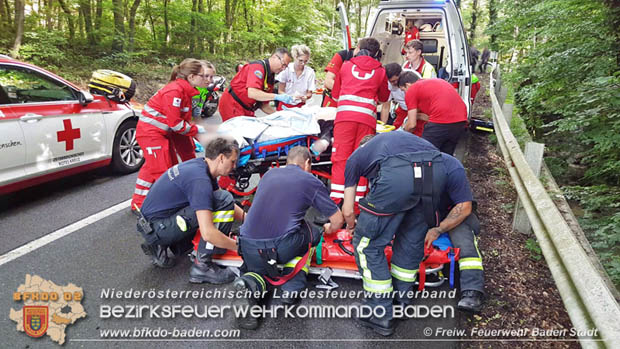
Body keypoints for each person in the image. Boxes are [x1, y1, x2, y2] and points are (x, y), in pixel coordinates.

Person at [342, 131, 484, 336]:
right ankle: (401, 301)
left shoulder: (356, 157)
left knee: (367, 245)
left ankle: (379, 311)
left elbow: (347, 211)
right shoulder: (408, 143)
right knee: (410, 242)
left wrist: (356, 225)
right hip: (432, 175)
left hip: (401, 177)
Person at [232, 146, 345, 329]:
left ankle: (249, 286)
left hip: (246, 245)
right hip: (279, 247)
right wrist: (329, 228)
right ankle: (292, 286)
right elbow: (338, 220)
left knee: (259, 268)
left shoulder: (269, 175)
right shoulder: (309, 180)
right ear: (307, 163)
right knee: (312, 234)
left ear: (287, 161)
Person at [135, 136, 244, 285]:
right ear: (221, 158)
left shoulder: (199, 166)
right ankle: (202, 267)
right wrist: (240, 248)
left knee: (220, 199)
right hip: (157, 228)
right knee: (221, 200)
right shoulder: (200, 181)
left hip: (152, 224)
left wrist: (248, 218)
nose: (234, 166)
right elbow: (208, 232)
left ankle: (158, 245)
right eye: (232, 161)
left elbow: (228, 204)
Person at [131, 59, 210, 210]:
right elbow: (177, 124)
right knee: (163, 171)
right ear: (192, 77)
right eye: (203, 76)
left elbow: (183, 123)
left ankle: (138, 202)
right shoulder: (175, 92)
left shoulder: (185, 91)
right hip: (151, 133)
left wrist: (193, 142)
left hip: (161, 133)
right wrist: (197, 131)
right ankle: (161, 205)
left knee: (159, 167)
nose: (206, 79)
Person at [329, 37, 390, 205]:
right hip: (366, 121)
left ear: (359, 49)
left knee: (341, 158)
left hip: (344, 119)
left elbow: (335, 94)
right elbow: (384, 97)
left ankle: (336, 201)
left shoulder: (346, 66)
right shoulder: (381, 71)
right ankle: (357, 203)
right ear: (376, 53)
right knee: (363, 159)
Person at [398, 71, 467, 155]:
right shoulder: (434, 82)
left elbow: (412, 125)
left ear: (408, 85)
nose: (404, 93)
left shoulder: (412, 89)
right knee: (445, 157)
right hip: (460, 121)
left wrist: (401, 133)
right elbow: (429, 116)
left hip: (441, 122)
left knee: (423, 155)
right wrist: (419, 116)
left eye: (403, 90)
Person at [218, 48, 293, 121]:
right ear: (274, 57)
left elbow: (263, 105)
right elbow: (252, 93)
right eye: (283, 64)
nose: (283, 69)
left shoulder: (270, 77)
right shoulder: (257, 67)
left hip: (247, 108)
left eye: (286, 67)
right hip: (232, 104)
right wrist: (277, 97)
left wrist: (279, 116)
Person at [379, 64, 427, 136]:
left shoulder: (412, 77)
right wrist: (382, 128)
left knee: (417, 133)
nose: (394, 83)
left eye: (395, 80)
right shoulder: (386, 84)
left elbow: (421, 100)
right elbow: (386, 107)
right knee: (396, 133)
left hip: (419, 108)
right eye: (391, 81)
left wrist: (408, 122)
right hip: (403, 109)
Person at [275, 44, 316, 110]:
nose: (303, 63)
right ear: (295, 57)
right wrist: (290, 97)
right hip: (285, 103)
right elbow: (280, 91)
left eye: (306, 61)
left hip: (300, 105)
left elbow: (309, 93)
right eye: (300, 60)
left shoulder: (310, 72)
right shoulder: (286, 69)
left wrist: (305, 97)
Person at [321, 43, 360, 108]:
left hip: (350, 105)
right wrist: (349, 92)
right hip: (332, 102)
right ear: (358, 48)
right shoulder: (343, 55)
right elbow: (328, 81)